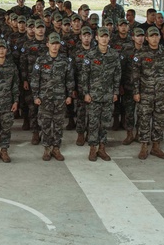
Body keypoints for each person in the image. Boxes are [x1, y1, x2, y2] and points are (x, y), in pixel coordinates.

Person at [131, 26, 164, 160]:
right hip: (145, 93)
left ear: (160, 37)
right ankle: (144, 146)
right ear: (147, 38)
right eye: (151, 36)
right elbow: (135, 75)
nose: (154, 38)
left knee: (159, 120)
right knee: (144, 120)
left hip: (162, 93)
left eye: (156, 36)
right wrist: (136, 91)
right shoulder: (141, 54)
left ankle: (156, 146)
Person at [31, 33, 74, 161]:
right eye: (52, 44)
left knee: (58, 124)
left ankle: (56, 148)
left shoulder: (65, 61)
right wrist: (35, 96)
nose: (55, 46)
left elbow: (69, 79)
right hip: (45, 99)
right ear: (47, 44)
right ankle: (47, 148)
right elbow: (35, 79)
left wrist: (69, 95)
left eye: (57, 44)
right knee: (45, 124)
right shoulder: (41, 60)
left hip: (60, 98)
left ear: (59, 45)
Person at [79, 27, 120, 162]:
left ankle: (102, 148)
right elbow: (85, 75)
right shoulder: (90, 55)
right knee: (93, 123)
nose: (104, 39)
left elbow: (117, 75)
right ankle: (92, 148)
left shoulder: (114, 55)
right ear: (96, 38)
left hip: (108, 95)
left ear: (109, 38)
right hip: (94, 95)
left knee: (105, 123)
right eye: (101, 36)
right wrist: (86, 93)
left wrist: (115, 92)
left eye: (106, 36)